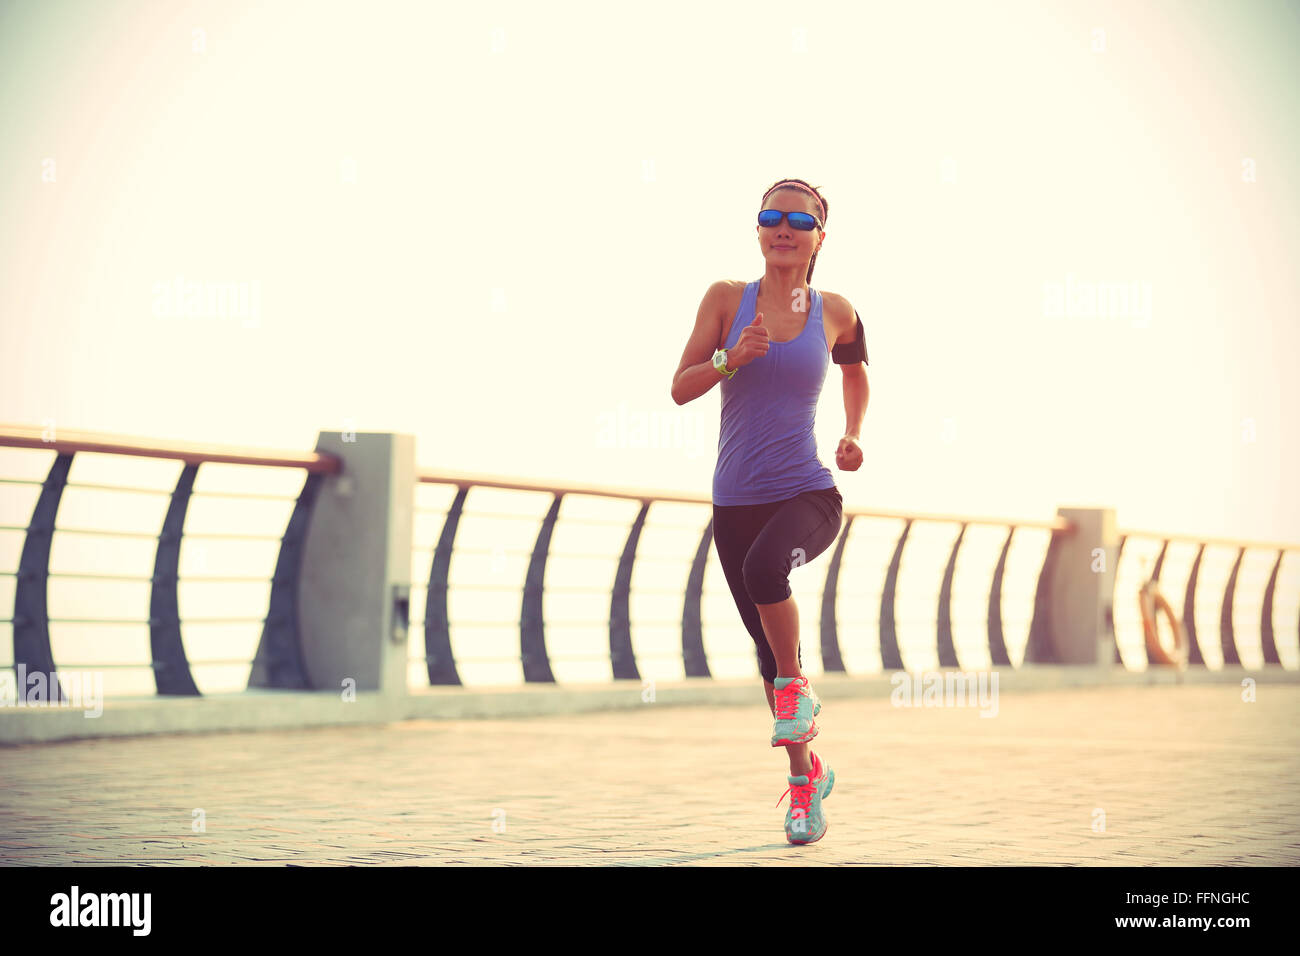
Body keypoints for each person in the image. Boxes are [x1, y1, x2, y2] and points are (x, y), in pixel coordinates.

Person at [670, 177, 870, 844]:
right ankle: (806, 781)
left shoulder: (835, 311)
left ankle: (795, 689)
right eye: (771, 216)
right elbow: (679, 388)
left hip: (809, 493)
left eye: (799, 219)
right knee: (765, 653)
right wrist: (730, 358)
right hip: (735, 501)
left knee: (766, 573)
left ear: (819, 236)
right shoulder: (727, 300)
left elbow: (857, 371)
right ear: (758, 230)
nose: (783, 227)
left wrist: (853, 433)